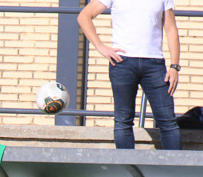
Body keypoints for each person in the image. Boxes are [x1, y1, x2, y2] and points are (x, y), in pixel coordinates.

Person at [78, 0, 182, 150]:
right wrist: (101, 47)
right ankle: (126, 163)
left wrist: (174, 66)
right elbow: (84, 16)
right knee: (123, 121)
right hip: (123, 63)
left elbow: (171, 28)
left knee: (168, 121)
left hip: (154, 64)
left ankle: (174, 164)